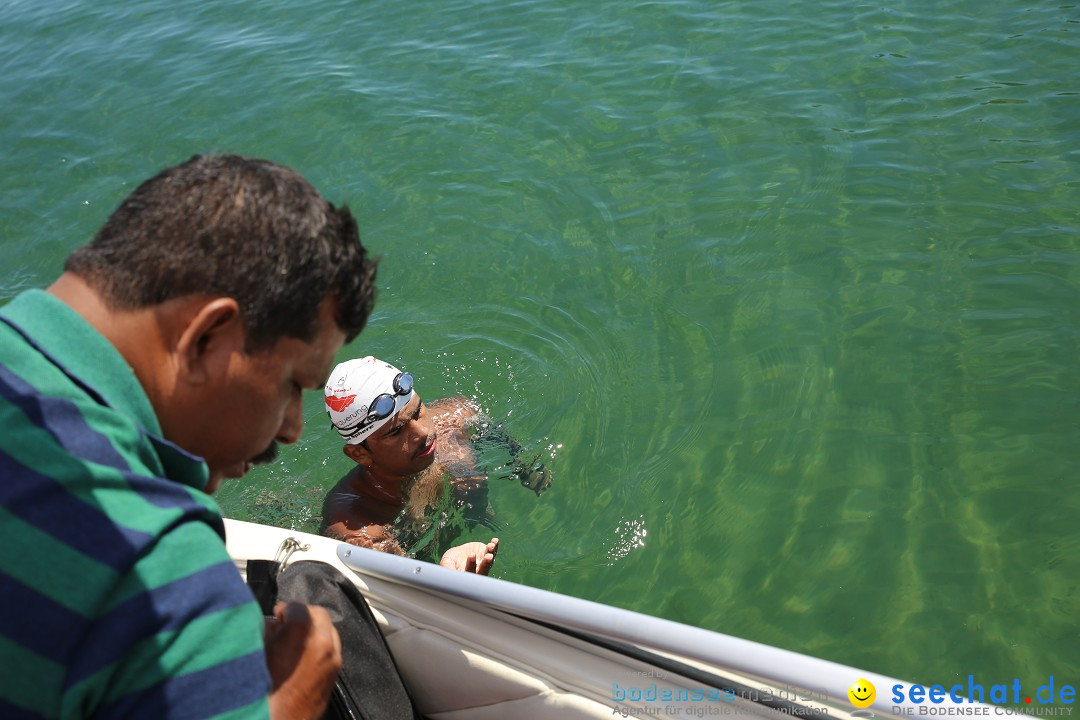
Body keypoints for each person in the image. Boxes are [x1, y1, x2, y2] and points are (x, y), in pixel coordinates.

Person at [0, 154, 376, 720]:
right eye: (293, 384)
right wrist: (293, 701)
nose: (295, 428)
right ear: (206, 338)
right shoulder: (162, 568)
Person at [320, 356, 551, 573]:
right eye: (397, 431)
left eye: (418, 411)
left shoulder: (449, 420)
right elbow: (404, 590)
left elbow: (482, 421)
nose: (423, 432)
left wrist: (524, 463)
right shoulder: (358, 524)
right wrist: (444, 575)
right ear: (359, 453)